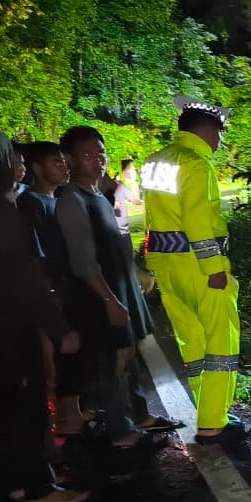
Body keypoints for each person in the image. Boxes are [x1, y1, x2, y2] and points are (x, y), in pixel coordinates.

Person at [0, 127, 87, 502]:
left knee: (12, 406)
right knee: (28, 405)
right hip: (10, 323)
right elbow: (24, 279)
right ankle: (38, 488)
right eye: (9, 155)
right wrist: (59, 329)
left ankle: (18, 479)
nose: (18, 163)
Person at [142, 98, 243, 445]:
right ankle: (215, 422)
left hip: (168, 266)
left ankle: (206, 410)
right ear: (208, 129)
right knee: (219, 343)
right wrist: (215, 268)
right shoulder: (196, 164)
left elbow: (155, 218)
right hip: (199, 269)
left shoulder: (156, 161)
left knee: (193, 343)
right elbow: (198, 221)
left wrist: (152, 263)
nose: (219, 142)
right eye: (219, 134)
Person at [57, 126, 158, 449]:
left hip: (120, 286)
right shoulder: (72, 200)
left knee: (128, 355)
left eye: (100, 153)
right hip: (100, 296)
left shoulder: (98, 194)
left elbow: (116, 241)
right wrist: (109, 299)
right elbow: (83, 261)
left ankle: (139, 415)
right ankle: (121, 428)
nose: (97, 160)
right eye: (87, 155)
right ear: (69, 159)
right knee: (110, 361)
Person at [17, 141, 93, 437]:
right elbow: (33, 258)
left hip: (66, 288)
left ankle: (72, 415)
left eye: (64, 161)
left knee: (72, 356)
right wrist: (50, 294)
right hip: (50, 294)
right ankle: (65, 422)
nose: (64, 166)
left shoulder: (57, 198)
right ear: (36, 168)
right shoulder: (30, 205)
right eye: (55, 162)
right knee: (59, 357)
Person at [112, 157, 141, 237]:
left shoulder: (127, 184)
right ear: (126, 172)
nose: (135, 172)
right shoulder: (123, 186)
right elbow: (137, 201)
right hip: (122, 229)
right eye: (133, 169)